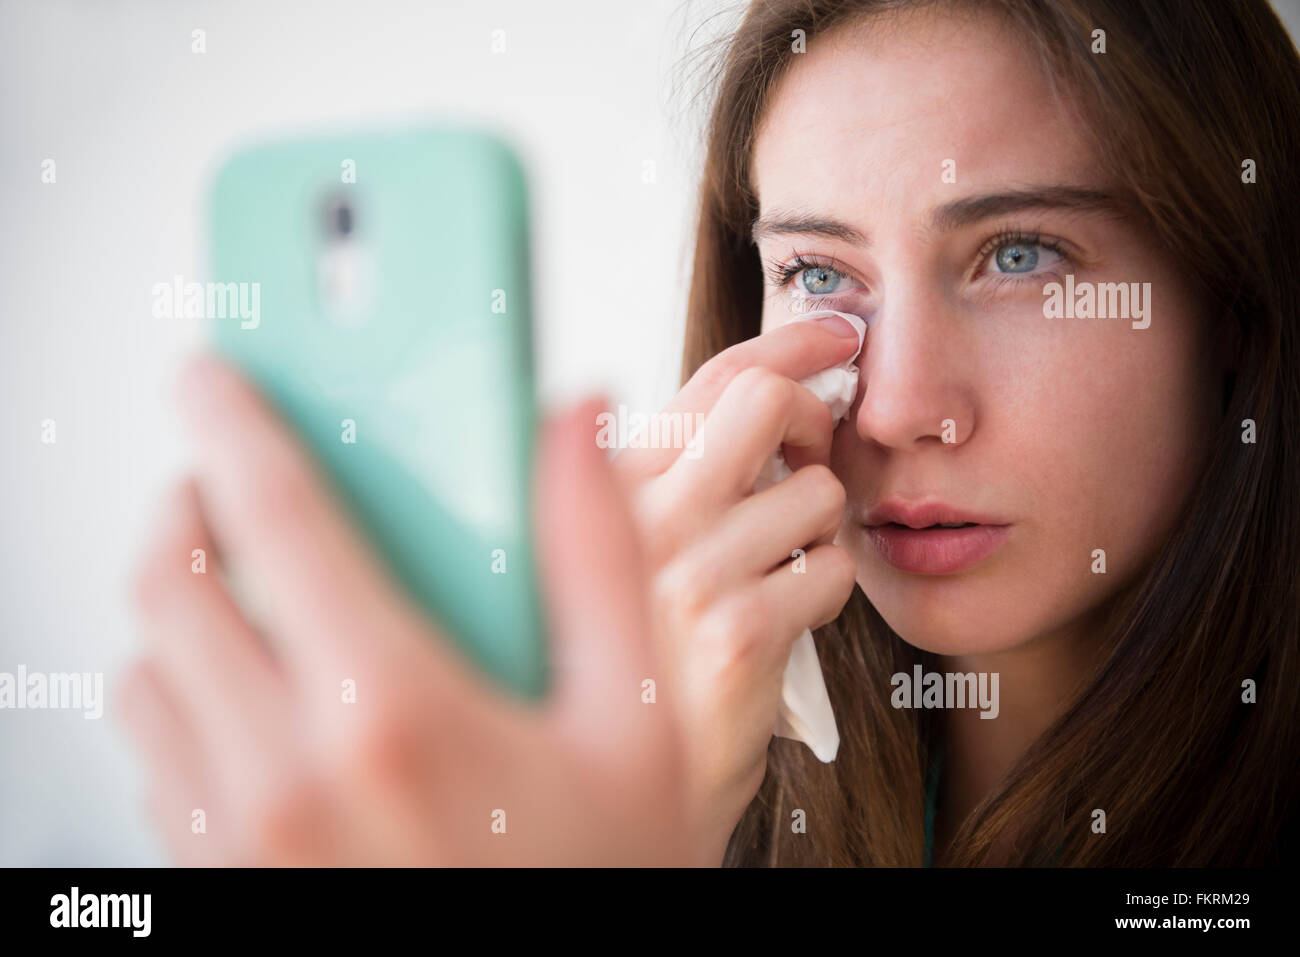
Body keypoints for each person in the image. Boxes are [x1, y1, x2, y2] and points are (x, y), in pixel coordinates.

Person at [121, 0, 1300, 866]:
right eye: (816, 270)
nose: (892, 410)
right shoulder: (688, 794)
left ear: (1236, 310)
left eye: (1020, 256)